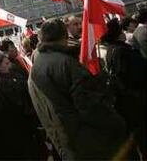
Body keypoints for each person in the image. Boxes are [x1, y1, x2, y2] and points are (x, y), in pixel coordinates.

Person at [28, 18, 127, 160]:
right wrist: (118, 124)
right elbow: (92, 106)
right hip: (89, 143)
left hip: (66, 143)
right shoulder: (65, 63)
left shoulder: (36, 66)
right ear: (65, 35)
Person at [102, 19, 146, 157]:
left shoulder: (111, 49)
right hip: (137, 101)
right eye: (120, 31)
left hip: (128, 102)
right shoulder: (122, 51)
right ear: (117, 34)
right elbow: (137, 75)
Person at [0, 50, 42, 160]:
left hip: (23, 122)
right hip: (16, 125)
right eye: (6, 64)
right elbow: (14, 100)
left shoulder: (7, 75)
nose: (9, 65)